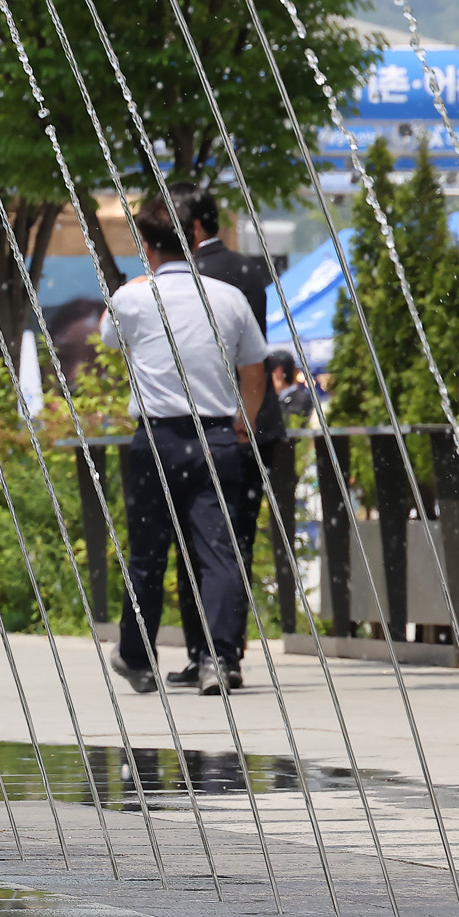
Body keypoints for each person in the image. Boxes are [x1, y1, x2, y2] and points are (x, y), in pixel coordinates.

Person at [101, 194, 269, 697]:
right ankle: (217, 657)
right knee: (218, 550)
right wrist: (245, 422)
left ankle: (138, 658)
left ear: (147, 249)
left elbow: (114, 341)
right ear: (193, 240)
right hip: (216, 437)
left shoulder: (131, 298)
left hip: (157, 439)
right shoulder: (228, 297)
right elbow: (254, 367)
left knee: (148, 552)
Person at [167, 186, 283, 689]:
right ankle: (223, 651)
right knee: (233, 541)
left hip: (215, 423)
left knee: (198, 543)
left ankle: (209, 652)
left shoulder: (192, 282)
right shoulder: (249, 271)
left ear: (191, 228)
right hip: (258, 421)